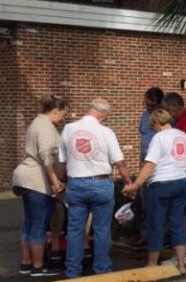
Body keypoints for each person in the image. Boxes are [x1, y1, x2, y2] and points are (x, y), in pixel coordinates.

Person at [58, 98, 132, 278]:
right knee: (101, 229)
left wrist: (61, 180)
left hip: (75, 183)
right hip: (100, 183)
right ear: (103, 114)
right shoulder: (106, 131)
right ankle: (102, 271)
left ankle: (73, 272)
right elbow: (119, 162)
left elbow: (62, 161)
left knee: (75, 230)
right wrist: (129, 183)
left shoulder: (69, 129)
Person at [123, 109, 186, 274]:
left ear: (156, 123)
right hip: (181, 181)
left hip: (161, 184)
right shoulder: (182, 135)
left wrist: (136, 184)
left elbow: (150, 164)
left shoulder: (158, 138)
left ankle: (152, 264)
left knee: (156, 223)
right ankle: (181, 264)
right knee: (177, 222)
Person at [12, 95, 69, 277]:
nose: (63, 118)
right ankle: (38, 267)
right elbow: (46, 156)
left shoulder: (35, 123)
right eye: (62, 114)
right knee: (39, 224)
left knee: (29, 223)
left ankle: (26, 263)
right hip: (36, 180)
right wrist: (55, 181)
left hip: (24, 177)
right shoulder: (45, 127)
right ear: (55, 111)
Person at [161, 92, 186, 263]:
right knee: (182, 211)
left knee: (178, 212)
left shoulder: (185, 124)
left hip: (182, 172)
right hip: (184, 171)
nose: (165, 113)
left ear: (173, 107)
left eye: (165, 109)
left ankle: (182, 253)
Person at [132, 87, 164, 246]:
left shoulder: (164, 118)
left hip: (158, 163)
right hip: (144, 160)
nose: (148, 107)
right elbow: (143, 135)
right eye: (146, 103)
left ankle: (160, 236)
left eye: (152, 105)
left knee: (157, 200)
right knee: (144, 201)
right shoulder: (144, 116)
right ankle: (145, 235)